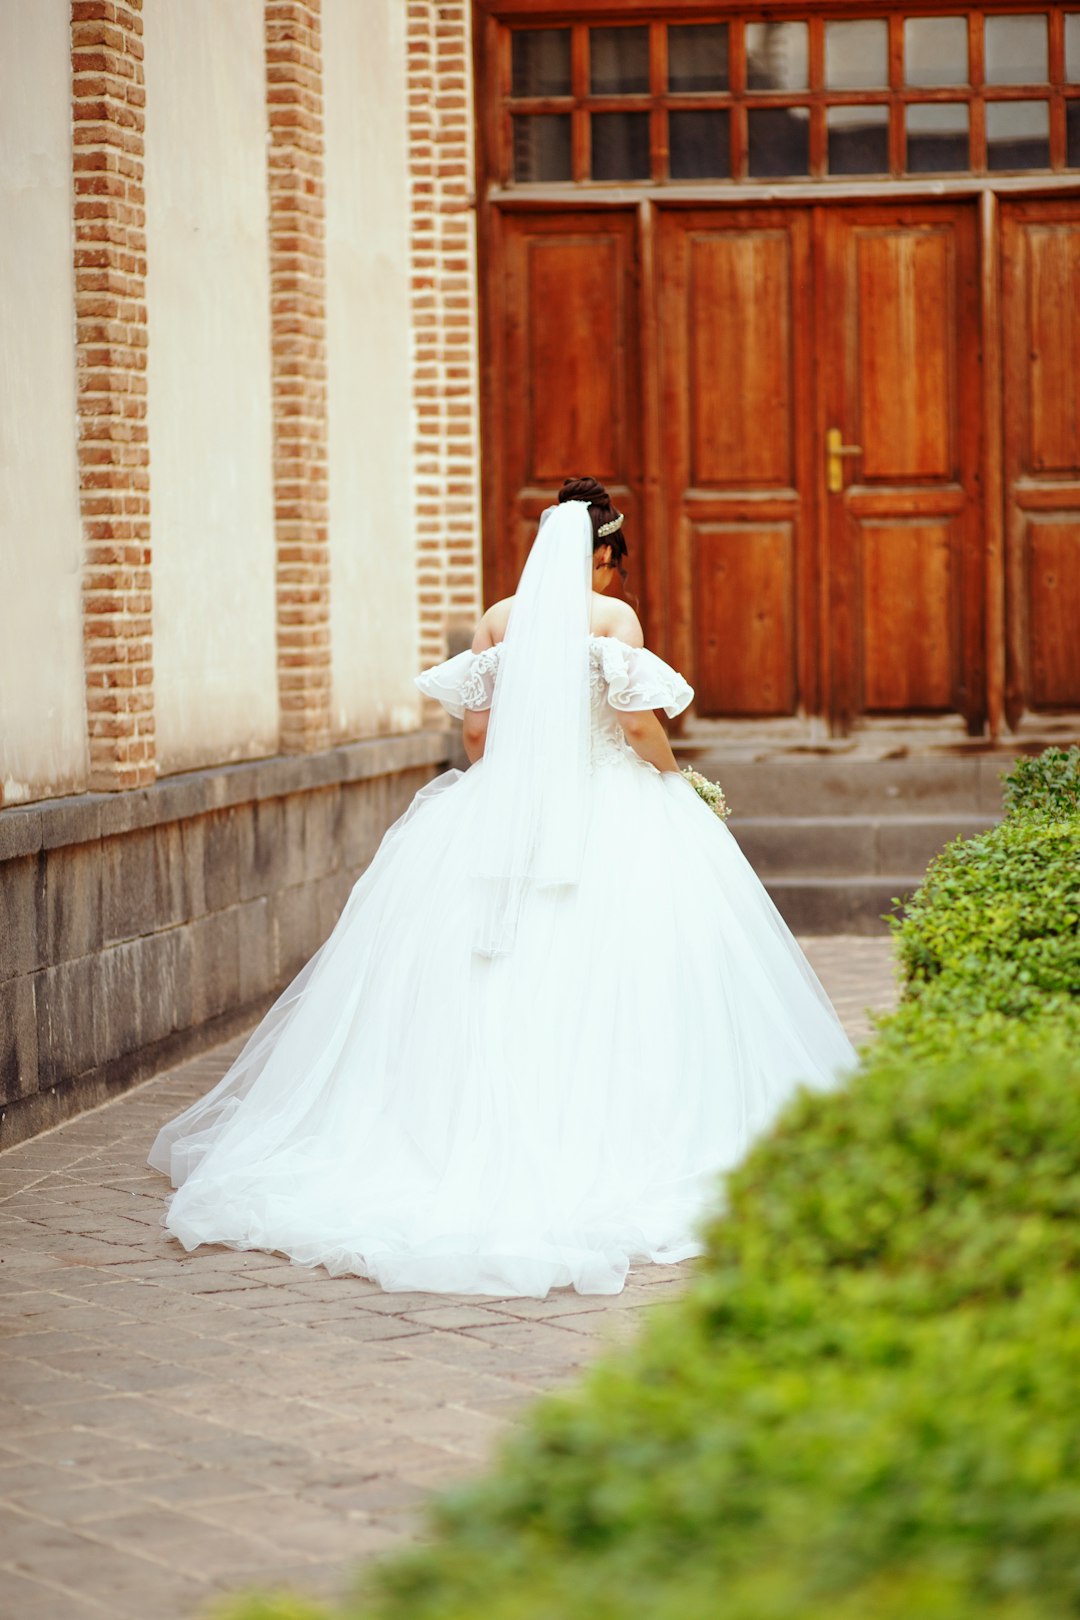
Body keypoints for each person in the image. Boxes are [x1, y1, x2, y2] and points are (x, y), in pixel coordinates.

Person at [149, 477, 856, 1298]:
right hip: (608, 807)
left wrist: (511, 795)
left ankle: (442, 1138)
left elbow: (477, 732)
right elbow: (634, 723)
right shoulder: (611, 621)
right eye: (612, 562)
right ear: (600, 554)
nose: (613, 577)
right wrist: (673, 781)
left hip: (500, 820)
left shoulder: (497, 619)